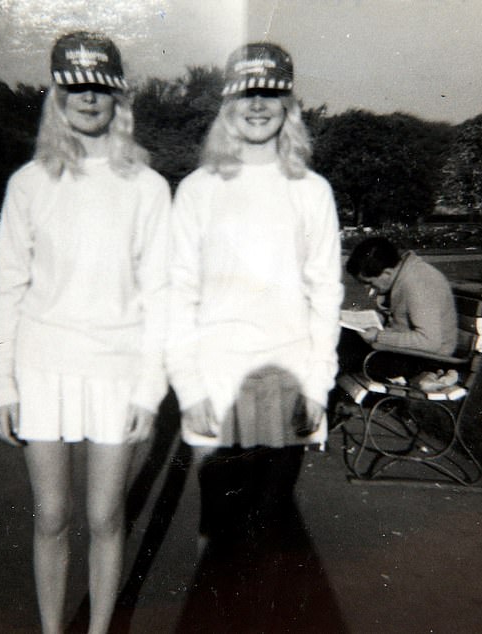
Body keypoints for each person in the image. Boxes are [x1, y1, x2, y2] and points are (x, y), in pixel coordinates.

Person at [0, 32, 170, 634]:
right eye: (76, 86)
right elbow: (9, 289)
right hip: (43, 369)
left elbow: (161, 293)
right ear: (58, 96)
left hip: (116, 371)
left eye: (101, 87)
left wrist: (150, 388)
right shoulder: (28, 184)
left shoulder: (146, 186)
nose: (89, 98)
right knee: (51, 516)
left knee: (106, 515)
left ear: (119, 99)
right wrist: (4, 385)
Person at [165, 43, 343, 545]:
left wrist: (317, 383)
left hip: (286, 382)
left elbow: (326, 294)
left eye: (270, 92)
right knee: (218, 531)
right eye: (246, 93)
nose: (258, 104)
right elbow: (177, 292)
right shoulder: (198, 189)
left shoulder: (312, 190)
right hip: (217, 381)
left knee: (270, 529)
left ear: (288, 105)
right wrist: (189, 386)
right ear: (228, 105)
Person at [342, 236, 458, 384]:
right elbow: (401, 317)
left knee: (334, 352)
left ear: (387, 273)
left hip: (427, 361)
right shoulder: (403, 275)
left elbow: (429, 341)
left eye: (369, 283)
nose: (368, 289)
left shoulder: (418, 283)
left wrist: (379, 336)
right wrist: (368, 318)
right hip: (404, 353)